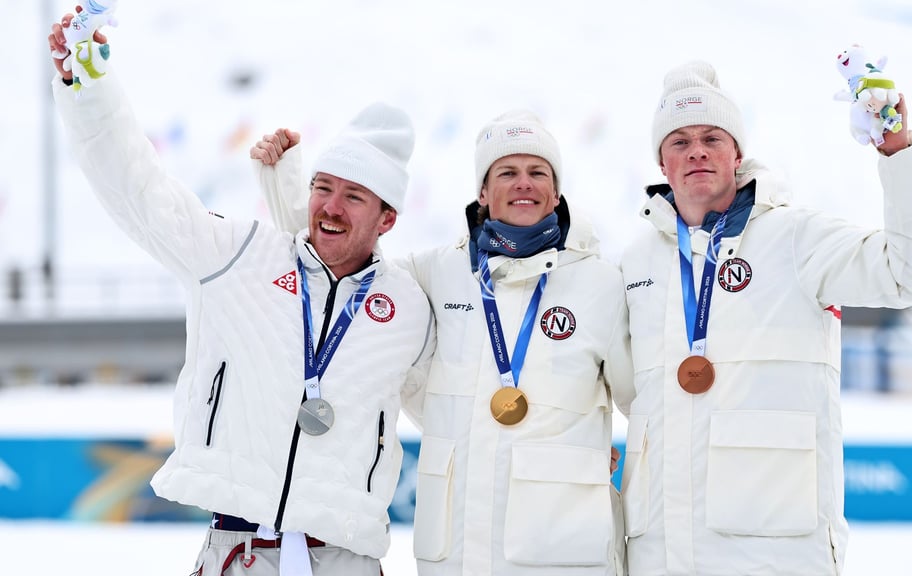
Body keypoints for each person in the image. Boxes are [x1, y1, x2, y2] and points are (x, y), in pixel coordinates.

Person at [48, 11, 434, 576]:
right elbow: (140, 190)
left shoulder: (407, 309)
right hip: (240, 553)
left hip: (347, 559)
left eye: (353, 196)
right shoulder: (239, 256)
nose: (329, 205)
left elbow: (455, 414)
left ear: (388, 218)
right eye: (322, 187)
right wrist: (87, 87)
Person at [254, 110, 635, 575]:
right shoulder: (434, 274)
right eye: (507, 172)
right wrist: (284, 189)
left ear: (555, 193)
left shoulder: (601, 283)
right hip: (454, 552)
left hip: (566, 552)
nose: (524, 184)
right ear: (481, 191)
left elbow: (646, 400)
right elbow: (339, 261)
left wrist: (593, 450)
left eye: (538, 173)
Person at [617, 59, 912, 575]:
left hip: (776, 555)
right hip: (659, 555)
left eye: (712, 136)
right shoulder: (633, 264)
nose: (697, 151)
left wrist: (896, 151)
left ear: (737, 153)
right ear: (662, 163)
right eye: (679, 141)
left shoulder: (798, 239)